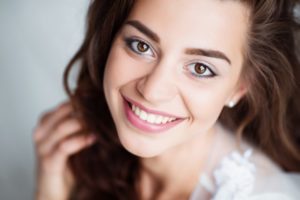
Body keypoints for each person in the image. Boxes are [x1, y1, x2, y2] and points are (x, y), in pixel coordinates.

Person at [33, 0, 300, 199]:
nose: (152, 91)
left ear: (239, 88)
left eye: (200, 68)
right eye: (141, 46)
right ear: (110, 39)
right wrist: (50, 183)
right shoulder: (79, 153)